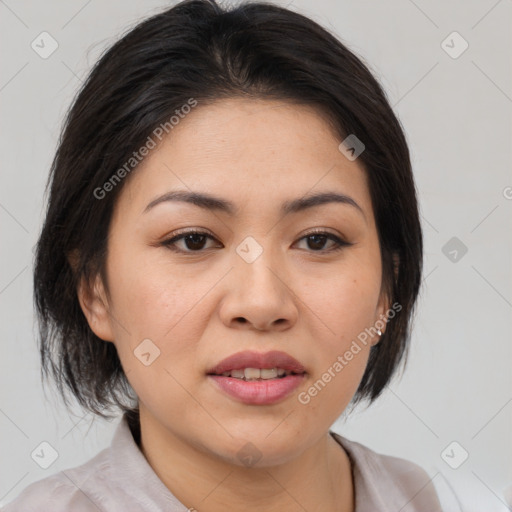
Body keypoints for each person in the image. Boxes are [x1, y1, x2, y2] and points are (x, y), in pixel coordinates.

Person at [2, 1, 487, 510]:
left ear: (388, 286)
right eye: (193, 240)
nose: (261, 302)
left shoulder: (427, 499)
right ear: (94, 289)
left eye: (318, 240)